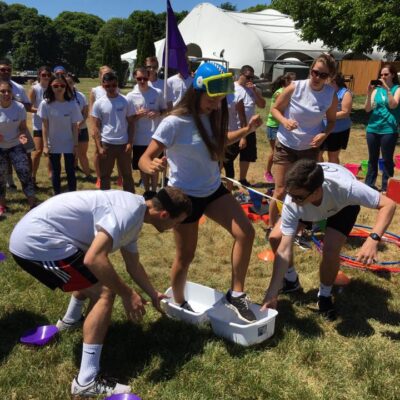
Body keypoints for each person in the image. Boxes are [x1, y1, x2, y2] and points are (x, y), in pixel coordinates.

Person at [9, 186, 192, 396]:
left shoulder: (135, 211)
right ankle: (86, 380)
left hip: (41, 237)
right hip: (36, 244)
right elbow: (94, 259)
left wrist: (152, 293)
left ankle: (71, 321)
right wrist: (127, 294)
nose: (173, 228)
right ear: (164, 214)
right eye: (176, 223)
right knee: (105, 292)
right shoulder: (128, 214)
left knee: (94, 277)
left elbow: (133, 264)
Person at [139, 62, 263, 323]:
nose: (217, 105)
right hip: (185, 197)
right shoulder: (174, 122)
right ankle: (180, 302)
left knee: (246, 233)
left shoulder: (213, 115)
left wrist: (247, 130)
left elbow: (219, 140)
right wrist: (151, 164)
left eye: (220, 100)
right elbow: (145, 157)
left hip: (213, 189)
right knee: (185, 256)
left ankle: (236, 294)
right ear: (197, 90)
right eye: (212, 99)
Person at [261, 159, 396, 320]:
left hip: (342, 207)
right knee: (275, 238)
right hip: (309, 208)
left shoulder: (346, 188)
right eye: (291, 195)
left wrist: (373, 239)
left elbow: (388, 204)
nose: (292, 200)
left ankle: (324, 296)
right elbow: (283, 249)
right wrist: (272, 292)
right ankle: (291, 281)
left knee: (330, 250)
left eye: (297, 196)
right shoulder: (294, 200)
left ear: (316, 191)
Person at [268, 54, 338, 228]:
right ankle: (271, 226)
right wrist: (285, 121)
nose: (317, 78)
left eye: (323, 75)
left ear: (329, 77)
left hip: (309, 149)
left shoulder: (330, 94)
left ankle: (300, 227)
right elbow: (275, 109)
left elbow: (331, 122)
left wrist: (324, 134)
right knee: (281, 189)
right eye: (315, 72)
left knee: (306, 191)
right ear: (311, 70)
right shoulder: (295, 87)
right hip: (286, 145)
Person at [91, 72, 135, 193]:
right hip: (107, 144)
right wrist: (99, 147)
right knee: (105, 176)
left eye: (113, 85)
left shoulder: (126, 101)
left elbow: (131, 123)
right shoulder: (98, 103)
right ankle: (106, 202)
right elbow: (96, 126)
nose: (111, 88)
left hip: (123, 144)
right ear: (103, 85)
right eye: (108, 86)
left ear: (117, 84)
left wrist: (130, 143)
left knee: (127, 176)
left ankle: (130, 201)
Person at [38, 74, 82, 195]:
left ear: (66, 87)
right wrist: (46, 145)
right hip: (53, 143)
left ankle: (73, 195)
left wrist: (76, 146)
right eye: (55, 85)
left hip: (69, 143)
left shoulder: (72, 104)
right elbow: (45, 126)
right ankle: (57, 195)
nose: (59, 88)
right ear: (50, 87)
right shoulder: (45, 104)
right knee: (55, 171)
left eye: (62, 85)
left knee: (70, 171)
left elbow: (74, 126)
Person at [223, 65, 266, 187]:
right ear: (240, 75)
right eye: (248, 77)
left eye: (252, 77)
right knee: (228, 157)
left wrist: (254, 92)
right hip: (235, 128)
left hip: (250, 128)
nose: (250, 79)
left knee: (247, 155)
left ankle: (242, 179)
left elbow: (262, 105)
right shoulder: (233, 87)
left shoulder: (254, 89)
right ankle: (223, 179)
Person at [126, 67, 166, 196]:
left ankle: (154, 191)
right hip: (139, 137)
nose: (142, 81)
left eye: (145, 78)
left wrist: (157, 112)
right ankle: (147, 191)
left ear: (149, 77)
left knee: (154, 165)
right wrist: (137, 115)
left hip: (154, 136)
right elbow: (129, 119)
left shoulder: (157, 92)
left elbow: (165, 110)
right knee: (143, 166)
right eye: (139, 79)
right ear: (135, 79)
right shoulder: (130, 96)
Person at [0, 80, 36, 216]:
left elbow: (22, 127)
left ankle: (33, 204)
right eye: (2, 91)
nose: (6, 94)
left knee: (25, 173)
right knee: (0, 177)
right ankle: (2, 206)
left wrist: (22, 136)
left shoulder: (19, 107)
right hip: (0, 148)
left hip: (16, 145)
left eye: (8, 91)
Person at [364, 64, 400, 193]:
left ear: (393, 75)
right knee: (372, 158)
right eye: (381, 75)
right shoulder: (376, 90)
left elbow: (393, 105)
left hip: (389, 130)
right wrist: (369, 93)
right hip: (373, 128)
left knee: (387, 159)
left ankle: (386, 186)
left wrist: (387, 90)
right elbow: (367, 109)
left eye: (386, 74)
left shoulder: (397, 89)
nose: (383, 77)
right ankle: (369, 184)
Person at [0, 58, 33, 190]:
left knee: (27, 152)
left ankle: (29, 182)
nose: (6, 72)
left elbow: (28, 105)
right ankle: (9, 182)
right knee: (4, 157)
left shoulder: (18, 87)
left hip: (18, 126)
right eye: (2, 69)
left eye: (8, 69)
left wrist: (15, 100)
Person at [89, 65, 122, 188]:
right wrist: (93, 127)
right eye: (104, 74)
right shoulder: (95, 90)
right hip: (100, 125)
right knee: (98, 152)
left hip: (113, 126)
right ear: (100, 76)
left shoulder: (116, 89)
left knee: (119, 152)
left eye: (109, 73)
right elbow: (91, 110)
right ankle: (99, 177)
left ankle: (120, 177)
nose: (106, 75)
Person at [264, 73, 295, 183]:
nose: (293, 83)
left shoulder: (288, 92)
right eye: (291, 81)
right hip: (274, 125)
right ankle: (268, 172)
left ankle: (284, 174)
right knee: (275, 152)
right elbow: (280, 110)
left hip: (282, 125)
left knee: (283, 152)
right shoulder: (280, 92)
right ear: (285, 81)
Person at [65, 73, 95, 183]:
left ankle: (88, 175)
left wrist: (79, 123)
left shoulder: (81, 96)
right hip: (66, 130)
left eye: (71, 83)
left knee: (82, 154)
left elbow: (85, 113)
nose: (69, 85)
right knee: (68, 154)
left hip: (81, 128)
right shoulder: (60, 97)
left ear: (73, 83)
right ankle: (70, 175)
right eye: (66, 83)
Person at [320, 73, 353, 164]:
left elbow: (345, 113)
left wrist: (327, 115)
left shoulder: (345, 93)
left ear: (333, 82)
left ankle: (334, 176)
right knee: (317, 155)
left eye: (326, 80)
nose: (323, 82)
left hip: (338, 130)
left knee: (332, 157)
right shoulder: (324, 91)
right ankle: (322, 173)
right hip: (322, 128)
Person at [29, 66, 52, 186]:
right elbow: (29, 107)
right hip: (38, 124)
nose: (46, 77)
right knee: (38, 151)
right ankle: (32, 176)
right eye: (44, 75)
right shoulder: (35, 89)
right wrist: (41, 111)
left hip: (52, 124)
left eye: (48, 75)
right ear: (39, 76)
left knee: (51, 150)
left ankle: (51, 174)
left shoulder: (53, 87)